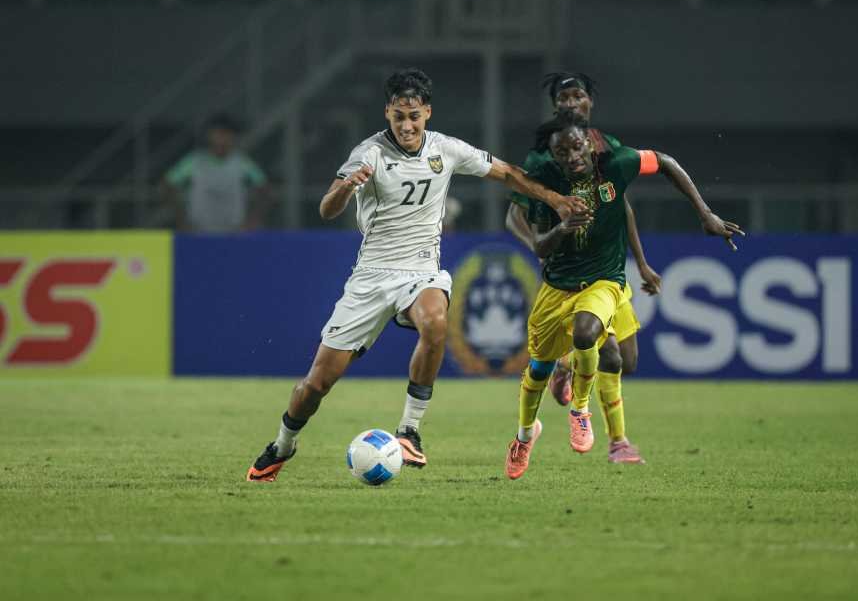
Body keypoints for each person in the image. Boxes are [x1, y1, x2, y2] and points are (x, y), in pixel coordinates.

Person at [247, 68, 587, 482]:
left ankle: (409, 430)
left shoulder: (446, 149)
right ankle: (283, 444)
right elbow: (326, 210)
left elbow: (510, 173)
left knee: (436, 320)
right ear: (387, 113)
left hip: (421, 271)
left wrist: (556, 199)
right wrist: (345, 187)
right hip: (371, 278)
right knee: (316, 385)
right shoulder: (368, 153)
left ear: (427, 112)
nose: (406, 125)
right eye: (398, 117)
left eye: (414, 116)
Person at [505, 110, 744, 480]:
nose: (571, 156)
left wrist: (705, 213)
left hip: (605, 280)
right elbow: (540, 247)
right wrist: (563, 228)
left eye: (576, 147)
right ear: (553, 156)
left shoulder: (617, 162)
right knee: (537, 369)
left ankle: (581, 411)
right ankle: (524, 437)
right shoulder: (547, 185)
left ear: (589, 142)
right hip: (557, 287)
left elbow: (665, 162)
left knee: (592, 338)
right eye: (562, 152)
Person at [505, 72, 661, 464]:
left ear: (591, 102)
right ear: (556, 106)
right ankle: (617, 440)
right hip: (571, 272)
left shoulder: (607, 148)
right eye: (564, 97)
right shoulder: (544, 157)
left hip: (609, 267)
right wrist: (542, 245)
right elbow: (514, 213)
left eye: (579, 96)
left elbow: (620, 204)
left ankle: (568, 366)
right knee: (595, 342)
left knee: (627, 360)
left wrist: (641, 262)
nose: (572, 103)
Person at [163, 113, 270, 232]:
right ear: (209, 135)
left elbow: (265, 188)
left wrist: (253, 220)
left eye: (228, 134)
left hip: (233, 231)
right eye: (219, 134)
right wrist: (181, 219)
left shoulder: (242, 163)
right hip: (200, 230)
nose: (223, 139)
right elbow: (167, 185)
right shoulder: (195, 161)